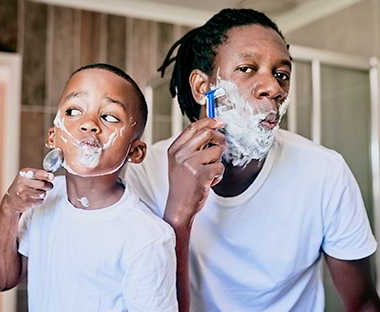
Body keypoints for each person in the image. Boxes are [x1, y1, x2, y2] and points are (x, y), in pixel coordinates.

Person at [125, 8, 380, 311]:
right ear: (201, 87)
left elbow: (363, 303)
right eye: (247, 68)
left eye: (281, 74)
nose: (274, 88)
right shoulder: (144, 173)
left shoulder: (325, 172)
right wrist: (179, 215)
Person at [0, 63, 178, 311]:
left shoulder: (147, 239)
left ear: (135, 151)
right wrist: (9, 208)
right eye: (74, 111)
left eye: (109, 116)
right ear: (52, 137)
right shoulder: (44, 198)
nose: (89, 124)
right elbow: (2, 280)